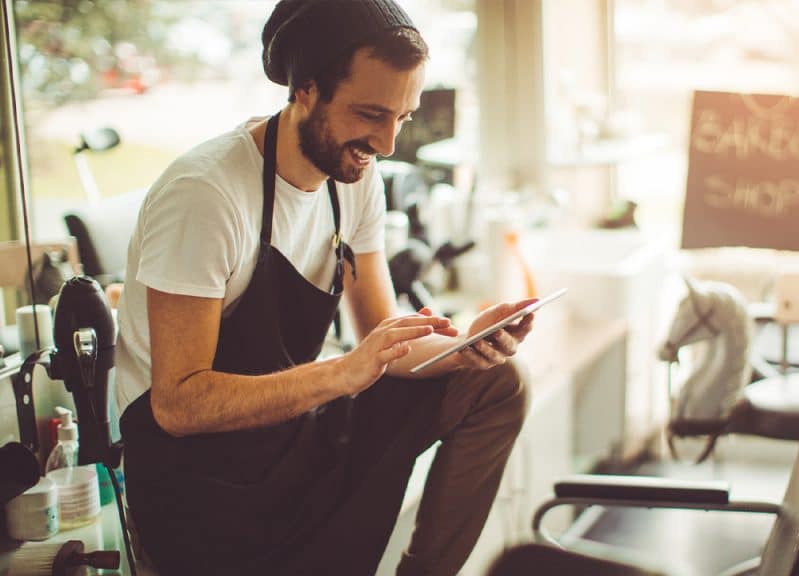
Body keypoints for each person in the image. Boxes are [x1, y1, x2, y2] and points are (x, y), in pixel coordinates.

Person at [113, 1, 535, 574]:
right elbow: (179, 405)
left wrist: (466, 348)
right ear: (304, 88)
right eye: (370, 113)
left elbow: (383, 341)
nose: (387, 142)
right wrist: (340, 374)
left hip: (294, 436)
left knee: (495, 383)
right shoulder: (207, 196)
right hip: (198, 486)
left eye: (403, 117)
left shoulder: (354, 179)